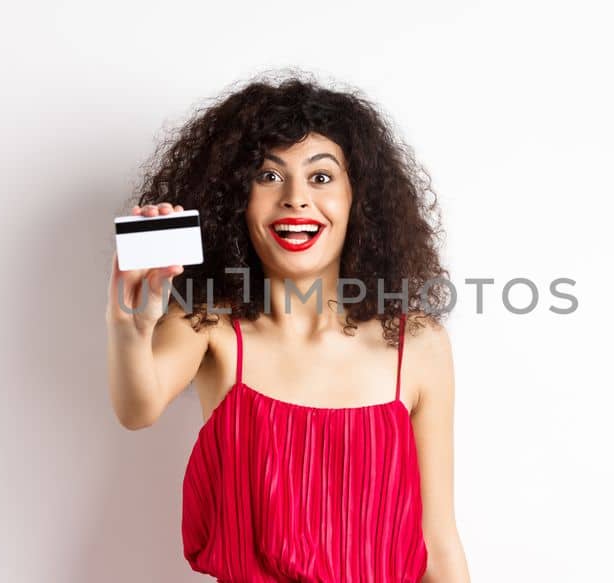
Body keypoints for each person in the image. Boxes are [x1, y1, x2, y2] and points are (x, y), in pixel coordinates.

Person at [105, 72, 470, 582]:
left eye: (321, 177)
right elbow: (136, 409)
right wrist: (130, 325)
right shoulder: (209, 326)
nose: (296, 198)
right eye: (269, 176)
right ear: (235, 200)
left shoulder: (417, 343)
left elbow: (438, 541)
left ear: (356, 200)